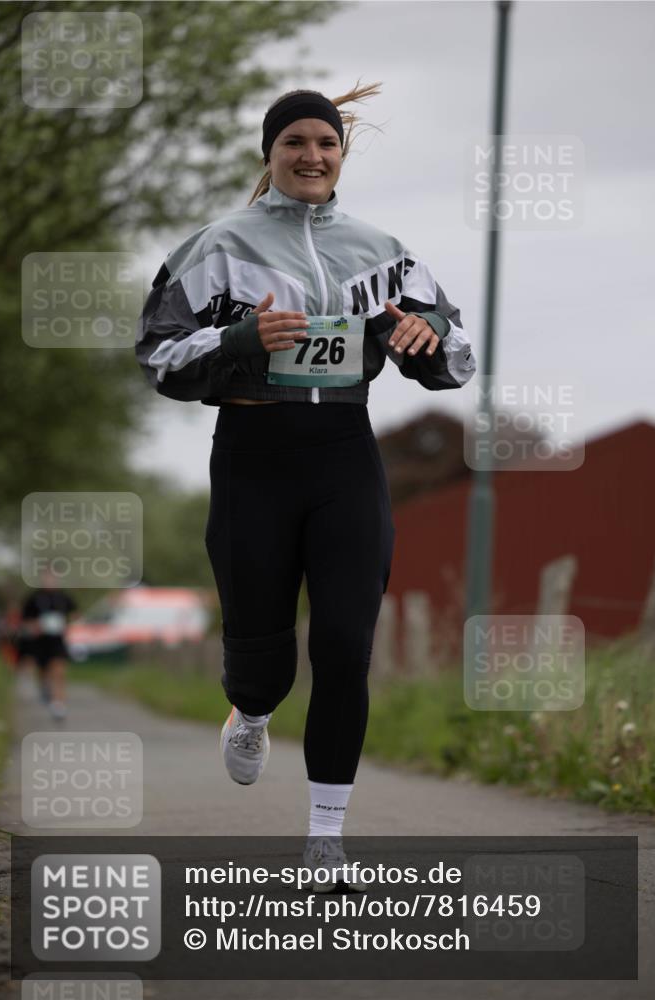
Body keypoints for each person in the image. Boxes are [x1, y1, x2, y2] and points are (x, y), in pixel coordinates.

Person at [136, 82, 476, 891]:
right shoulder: (215, 248)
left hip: (343, 458)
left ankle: (326, 837)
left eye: (325, 143)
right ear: (269, 153)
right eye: (294, 143)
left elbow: (455, 353)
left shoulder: (381, 250)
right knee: (265, 658)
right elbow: (158, 356)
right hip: (253, 454)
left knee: (344, 647)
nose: (311, 156)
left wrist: (423, 343)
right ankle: (250, 711)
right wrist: (243, 335)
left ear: (340, 154)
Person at [21, 570, 77, 721]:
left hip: (58, 641)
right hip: (40, 642)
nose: (50, 581)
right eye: (47, 578)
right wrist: (35, 625)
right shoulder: (33, 598)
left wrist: (68, 622)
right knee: (44, 673)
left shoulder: (64, 597)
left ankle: (59, 704)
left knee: (59, 671)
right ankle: (46, 692)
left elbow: (75, 615)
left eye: (53, 578)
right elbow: (24, 621)